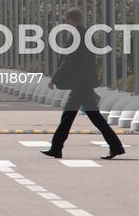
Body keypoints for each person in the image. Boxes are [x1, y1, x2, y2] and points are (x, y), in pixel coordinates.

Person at [42, 9, 125, 161]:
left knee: (94, 116)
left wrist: (55, 78)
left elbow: (69, 60)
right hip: (81, 82)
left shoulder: (77, 35)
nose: (65, 22)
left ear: (71, 19)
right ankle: (56, 148)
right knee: (68, 116)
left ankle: (116, 146)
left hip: (80, 83)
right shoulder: (85, 34)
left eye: (66, 19)